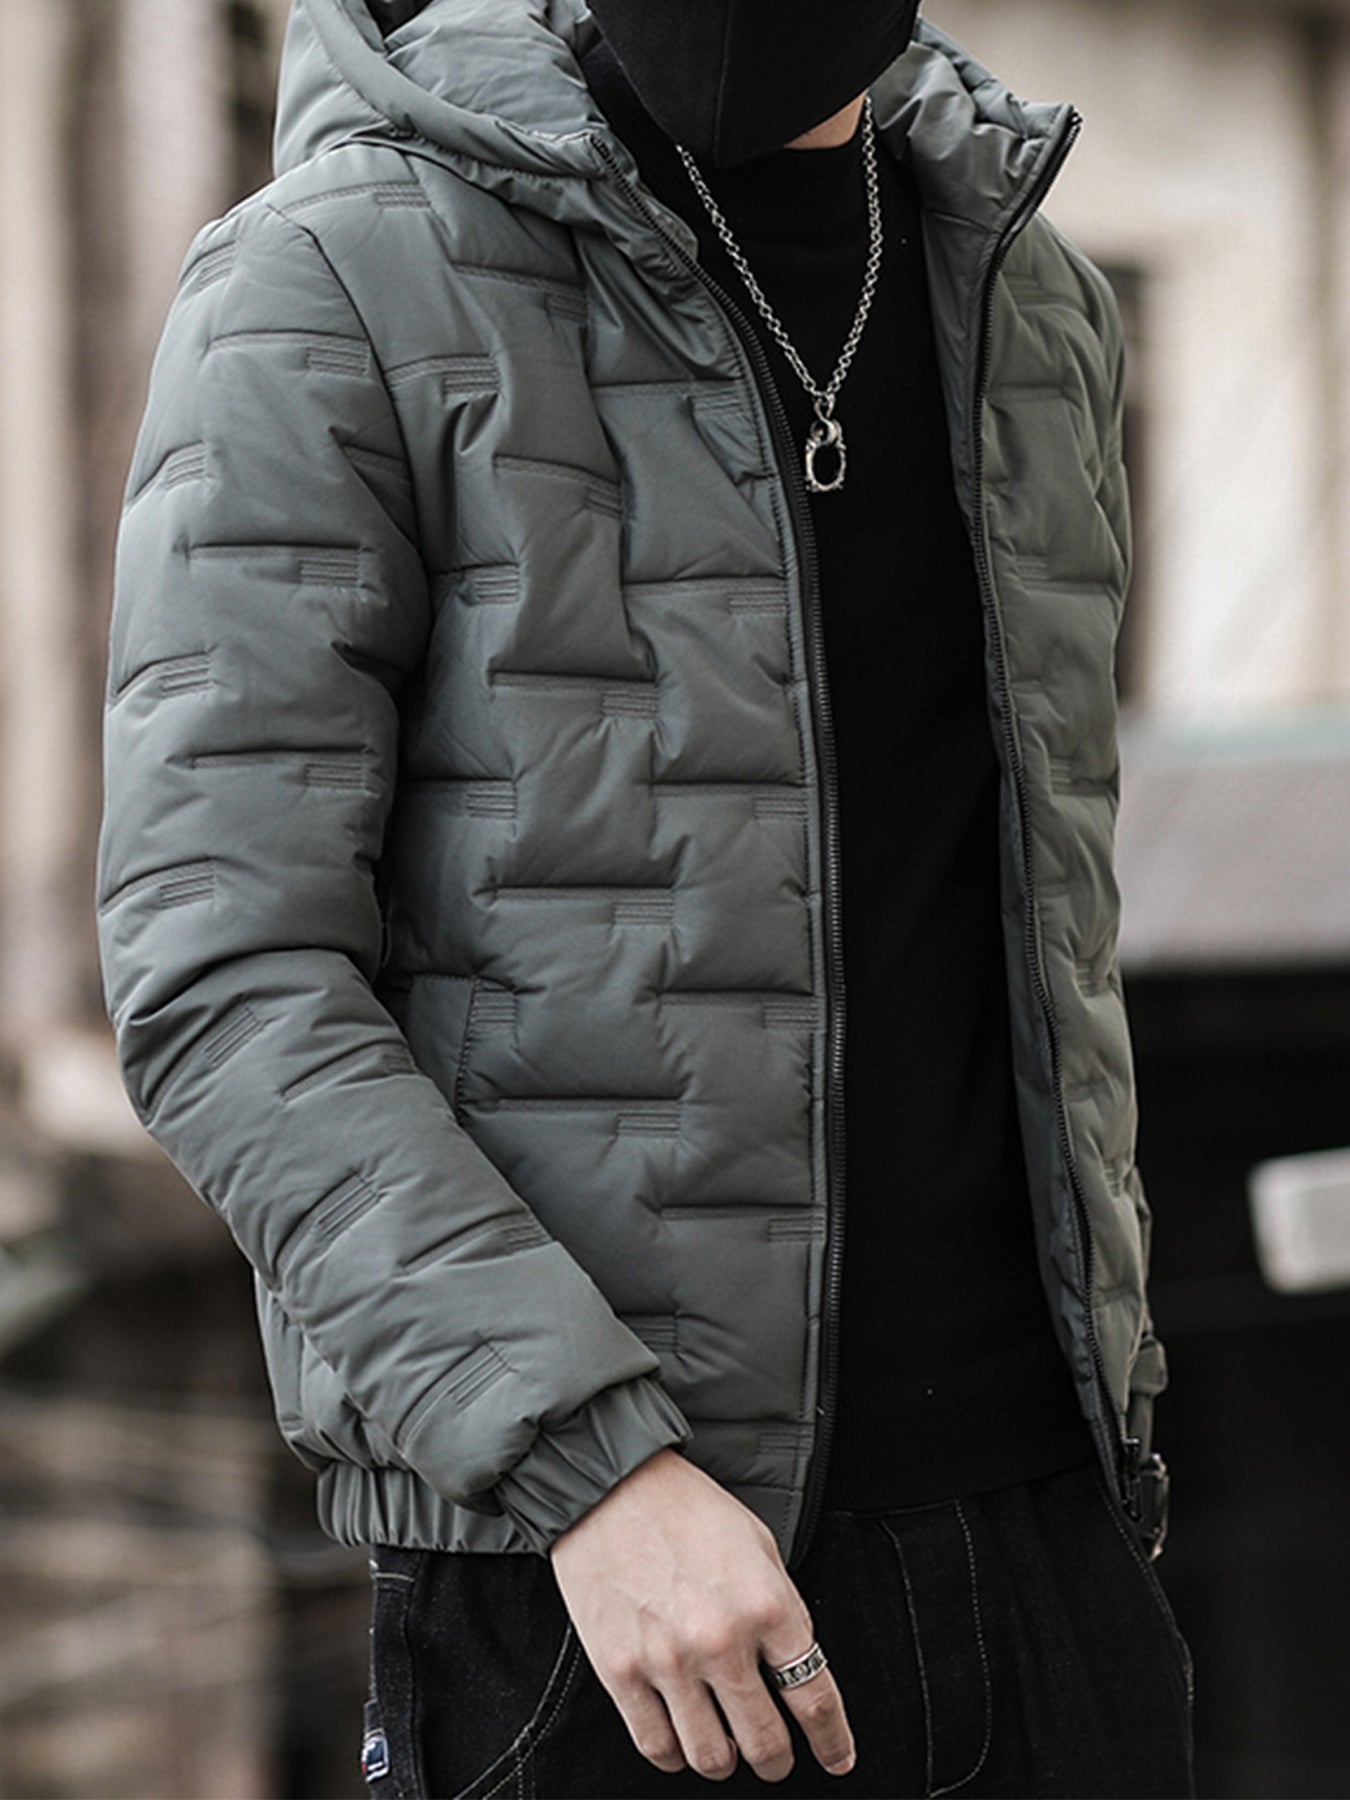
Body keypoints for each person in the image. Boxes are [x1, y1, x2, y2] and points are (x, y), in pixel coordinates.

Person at [97, 0, 1195, 1793]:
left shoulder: (1029, 296)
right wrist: (591, 1471)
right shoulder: (335, 274)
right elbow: (221, 971)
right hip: (609, 1593)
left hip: (1049, 1556)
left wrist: (1114, 1447)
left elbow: (1040, 922)